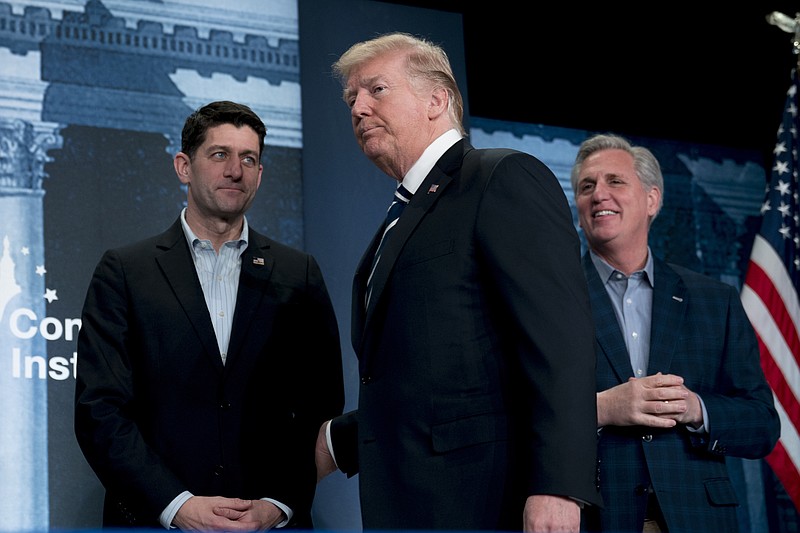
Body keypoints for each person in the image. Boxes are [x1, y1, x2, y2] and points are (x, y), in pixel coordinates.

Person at [314, 31, 601, 532]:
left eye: (376, 90)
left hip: (484, 502)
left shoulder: (501, 178)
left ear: (437, 99)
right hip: (409, 505)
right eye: (351, 98)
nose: (358, 108)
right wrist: (338, 442)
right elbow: (436, 380)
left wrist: (559, 486)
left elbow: (559, 344)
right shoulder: (400, 217)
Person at [74, 100, 345, 531]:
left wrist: (278, 503)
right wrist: (177, 506)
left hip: (269, 526)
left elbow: (322, 407)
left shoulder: (299, 274)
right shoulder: (126, 271)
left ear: (260, 174)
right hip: (155, 522)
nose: (234, 170)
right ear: (184, 166)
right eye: (219, 154)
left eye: (248, 159)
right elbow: (99, 410)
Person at [570, 133, 780, 533]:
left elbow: (763, 424)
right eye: (586, 186)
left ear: (652, 200)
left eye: (615, 181)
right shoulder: (550, 298)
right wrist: (601, 408)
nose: (599, 195)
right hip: (596, 518)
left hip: (699, 518)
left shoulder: (715, 300)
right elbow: (515, 411)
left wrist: (695, 408)